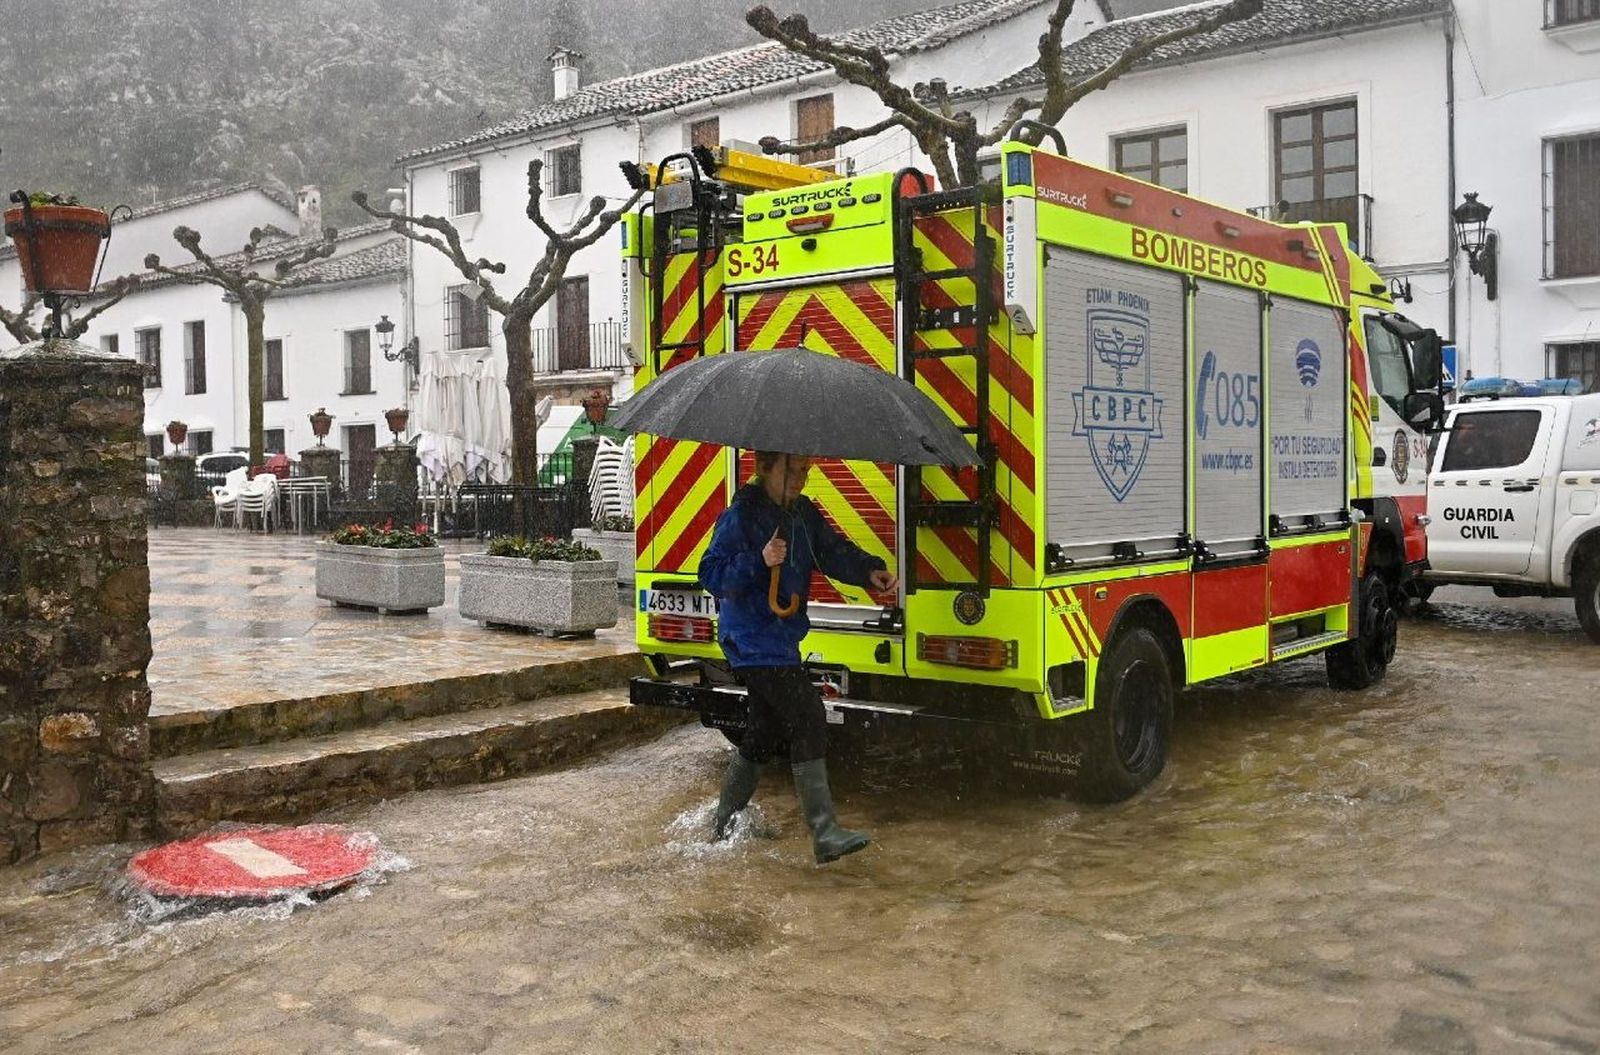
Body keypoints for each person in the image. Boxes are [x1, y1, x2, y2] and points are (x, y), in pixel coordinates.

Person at [699, 451, 897, 863]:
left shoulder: (801, 513)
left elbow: (832, 551)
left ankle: (722, 826)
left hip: (780, 638)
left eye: (806, 471)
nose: (802, 478)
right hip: (751, 640)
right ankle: (824, 833)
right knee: (808, 714)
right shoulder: (742, 516)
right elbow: (711, 574)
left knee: (764, 731)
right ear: (766, 468)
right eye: (793, 470)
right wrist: (760, 560)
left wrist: (868, 571)